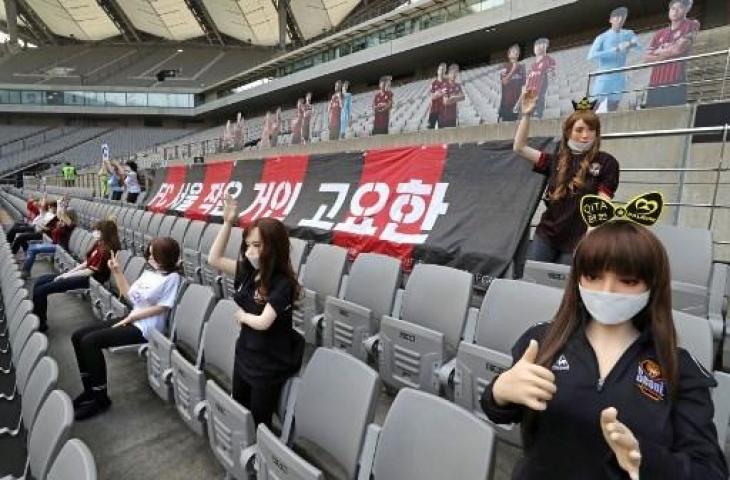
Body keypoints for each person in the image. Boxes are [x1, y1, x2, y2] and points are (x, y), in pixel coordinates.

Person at [481, 219, 728, 480]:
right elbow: (499, 410)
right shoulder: (542, 340)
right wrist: (499, 392)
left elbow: (709, 471)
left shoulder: (679, 368)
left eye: (628, 281)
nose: (608, 291)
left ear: (652, 285)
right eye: (593, 277)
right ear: (578, 279)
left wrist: (647, 459)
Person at [207, 195, 304, 428]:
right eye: (248, 245)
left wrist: (242, 316)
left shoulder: (283, 283)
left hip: (268, 363)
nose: (250, 251)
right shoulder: (249, 272)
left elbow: (263, 322)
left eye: (257, 246)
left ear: (274, 247)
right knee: (239, 409)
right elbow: (214, 258)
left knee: (260, 421)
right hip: (245, 353)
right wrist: (228, 223)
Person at [71, 237, 182, 420]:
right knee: (78, 336)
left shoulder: (173, 278)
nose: (150, 258)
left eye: (155, 255)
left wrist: (133, 316)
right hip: (133, 319)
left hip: (146, 327)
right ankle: (89, 390)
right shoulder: (149, 273)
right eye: (150, 253)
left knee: (90, 342)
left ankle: (100, 398)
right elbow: (129, 294)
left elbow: (163, 307)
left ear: (166, 257)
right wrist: (117, 271)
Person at [513, 91, 619, 264]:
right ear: (568, 132)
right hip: (546, 236)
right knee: (533, 281)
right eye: (579, 130)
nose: (585, 135)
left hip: (579, 240)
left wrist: (589, 240)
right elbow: (519, 148)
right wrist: (526, 115)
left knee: (563, 288)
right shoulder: (556, 158)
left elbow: (601, 206)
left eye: (591, 130)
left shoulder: (607, 162)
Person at [32, 220, 119, 332]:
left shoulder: (106, 251)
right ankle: (38, 318)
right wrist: (68, 273)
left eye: (98, 230)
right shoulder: (98, 244)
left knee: (41, 290)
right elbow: (86, 263)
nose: (95, 232)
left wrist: (67, 276)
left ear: (105, 232)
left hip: (89, 280)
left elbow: (89, 271)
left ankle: (41, 325)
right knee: (40, 280)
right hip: (82, 275)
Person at [643, 0, 700, 108]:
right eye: (673, 8)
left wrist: (659, 51)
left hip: (676, 80)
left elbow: (678, 49)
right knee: (652, 116)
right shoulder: (659, 33)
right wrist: (669, 50)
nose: (675, 11)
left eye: (679, 8)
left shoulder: (692, 24)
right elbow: (646, 58)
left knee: (672, 116)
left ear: (686, 10)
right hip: (655, 83)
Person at [588, 7, 641, 112]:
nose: (620, 20)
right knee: (594, 105)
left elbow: (638, 45)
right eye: (617, 17)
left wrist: (630, 44)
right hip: (605, 75)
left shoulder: (628, 33)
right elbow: (591, 55)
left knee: (613, 105)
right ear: (611, 19)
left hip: (619, 76)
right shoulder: (602, 37)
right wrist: (613, 50)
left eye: (623, 17)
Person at [21, 209, 77, 278]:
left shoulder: (71, 226)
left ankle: (25, 271)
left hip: (60, 247)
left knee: (33, 249)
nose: (62, 218)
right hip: (55, 245)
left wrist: (61, 223)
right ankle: (26, 271)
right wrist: (58, 226)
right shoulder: (63, 224)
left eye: (64, 216)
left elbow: (69, 225)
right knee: (32, 247)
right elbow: (55, 236)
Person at [525, 38, 557, 118]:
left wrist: (551, 73)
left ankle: (537, 113)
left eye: (541, 45)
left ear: (545, 47)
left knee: (536, 113)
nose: (537, 48)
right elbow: (528, 79)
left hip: (539, 90)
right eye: (535, 46)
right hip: (529, 92)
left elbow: (552, 74)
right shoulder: (533, 65)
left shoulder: (548, 60)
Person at [499, 44, 527, 122]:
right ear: (509, 54)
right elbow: (504, 82)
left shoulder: (522, 67)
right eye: (514, 51)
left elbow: (524, 86)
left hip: (518, 104)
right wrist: (513, 70)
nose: (517, 52)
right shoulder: (504, 66)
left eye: (518, 51)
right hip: (507, 104)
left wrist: (519, 104)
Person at [440, 64, 465, 128]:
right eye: (452, 73)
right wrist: (456, 98)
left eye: (456, 72)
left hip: (453, 117)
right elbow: (445, 102)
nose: (454, 75)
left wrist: (453, 98)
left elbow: (463, 97)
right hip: (443, 118)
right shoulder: (444, 85)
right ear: (449, 74)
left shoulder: (458, 85)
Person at [427, 63, 448, 129]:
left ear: (445, 71)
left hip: (443, 110)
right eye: (440, 69)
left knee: (441, 129)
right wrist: (441, 93)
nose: (441, 71)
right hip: (433, 109)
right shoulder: (433, 83)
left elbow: (447, 96)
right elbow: (432, 97)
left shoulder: (447, 83)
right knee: (430, 128)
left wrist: (437, 93)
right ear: (437, 71)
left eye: (443, 70)